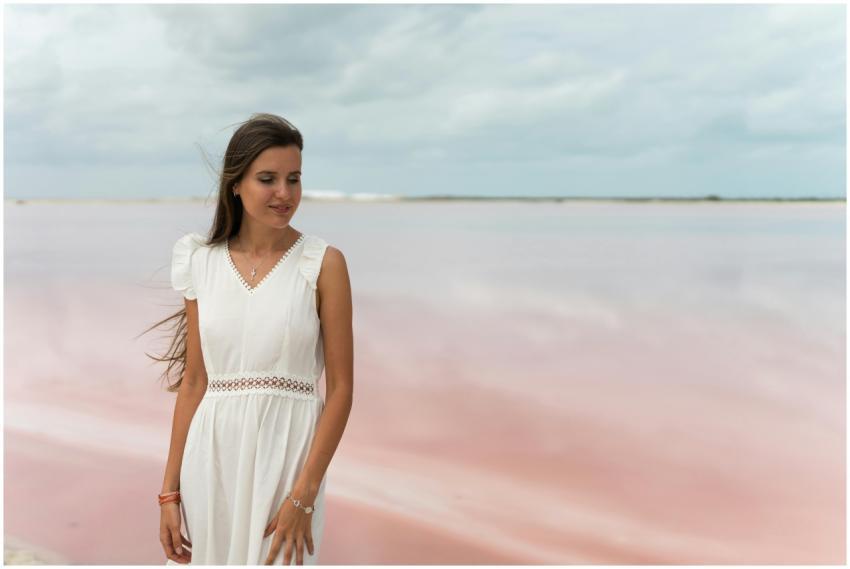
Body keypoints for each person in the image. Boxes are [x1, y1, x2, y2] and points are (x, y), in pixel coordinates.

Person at [150, 113, 353, 564]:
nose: (285, 194)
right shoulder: (199, 261)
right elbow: (195, 382)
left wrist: (304, 496)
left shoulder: (323, 264)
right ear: (236, 184)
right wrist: (169, 492)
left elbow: (340, 390)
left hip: (289, 463)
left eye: (294, 179)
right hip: (212, 457)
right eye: (268, 179)